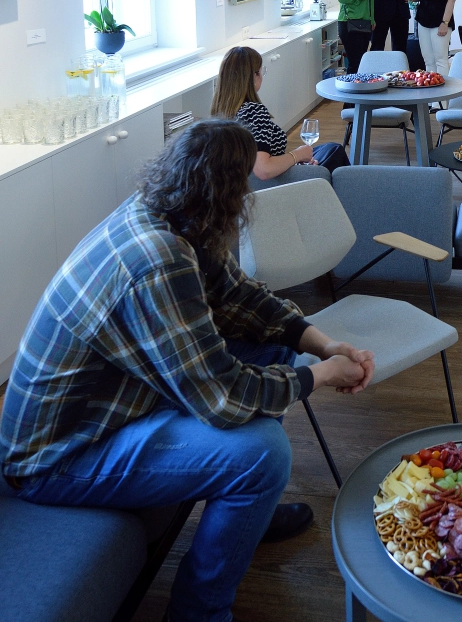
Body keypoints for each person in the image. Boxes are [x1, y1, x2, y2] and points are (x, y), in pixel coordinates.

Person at [0, 119, 374, 622]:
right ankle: (199, 613)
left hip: (108, 407)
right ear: (228, 194)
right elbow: (222, 399)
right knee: (263, 455)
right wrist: (322, 375)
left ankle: (250, 513)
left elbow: (239, 295)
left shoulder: (167, 212)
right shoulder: (158, 258)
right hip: (57, 458)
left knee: (273, 349)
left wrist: (321, 343)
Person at [211, 45, 349, 179]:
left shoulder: (219, 114)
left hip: (246, 183)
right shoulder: (254, 112)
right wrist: (297, 155)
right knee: (335, 153)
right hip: (274, 185)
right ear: (253, 76)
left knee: (330, 149)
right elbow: (263, 170)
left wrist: (294, 158)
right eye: (261, 71)